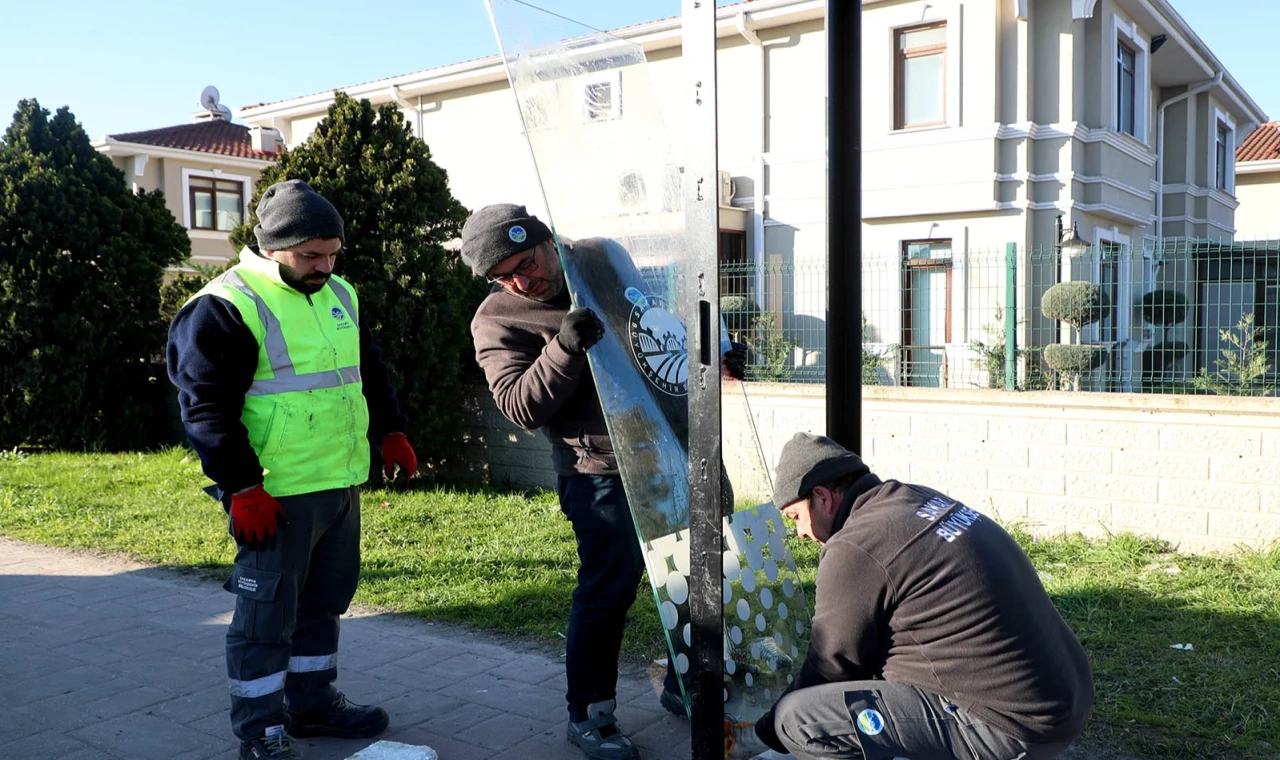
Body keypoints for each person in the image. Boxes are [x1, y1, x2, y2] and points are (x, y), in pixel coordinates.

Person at [460, 203, 747, 760]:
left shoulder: (600, 259)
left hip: (678, 448)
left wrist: (719, 352)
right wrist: (564, 348)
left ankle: (690, 685)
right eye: (507, 275)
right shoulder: (497, 319)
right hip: (602, 474)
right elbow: (520, 406)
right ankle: (590, 715)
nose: (525, 278)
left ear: (547, 237)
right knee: (607, 593)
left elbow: (655, 323)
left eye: (529, 260)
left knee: (703, 573)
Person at [167, 179, 418, 760]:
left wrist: (392, 429)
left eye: (333, 253)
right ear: (273, 246)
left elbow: (366, 368)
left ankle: (312, 703)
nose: (325, 266)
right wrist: (243, 488)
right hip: (274, 495)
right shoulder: (224, 306)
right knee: (265, 617)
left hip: (338, 482)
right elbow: (204, 408)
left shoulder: (340, 293)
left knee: (322, 602)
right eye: (311, 256)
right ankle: (261, 731)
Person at [730, 432, 1094, 760]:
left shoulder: (856, 545)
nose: (800, 534)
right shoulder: (914, 499)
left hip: (1011, 729)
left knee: (798, 719)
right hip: (1065, 699)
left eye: (795, 517)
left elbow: (830, 669)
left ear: (822, 497)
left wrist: (761, 735)